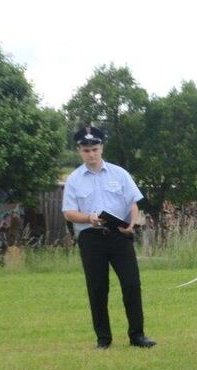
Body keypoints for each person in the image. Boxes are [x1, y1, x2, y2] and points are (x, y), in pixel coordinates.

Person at [62, 126, 156, 349]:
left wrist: (132, 223)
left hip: (119, 236)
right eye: (86, 150)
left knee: (131, 284)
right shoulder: (74, 179)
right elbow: (68, 212)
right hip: (90, 238)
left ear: (102, 148)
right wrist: (88, 217)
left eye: (94, 149)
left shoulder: (119, 173)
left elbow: (133, 203)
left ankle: (137, 335)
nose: (91, 154)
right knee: (97, 288)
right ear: (79, 151)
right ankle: (103, 339)